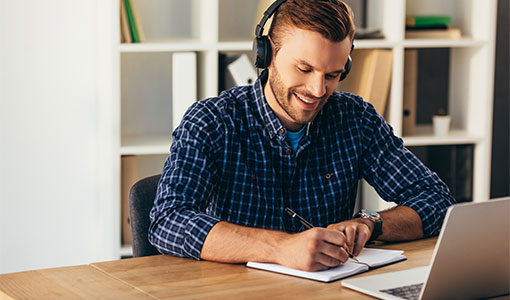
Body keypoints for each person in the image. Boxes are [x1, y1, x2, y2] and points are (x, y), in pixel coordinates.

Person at [149, 0, 455, 272]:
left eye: (333, 75)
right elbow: (168, 221)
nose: (318, 90)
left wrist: (371, 224)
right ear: (267, 53)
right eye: (304, 68)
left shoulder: (355, 118)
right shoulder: (211, 121)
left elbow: (437, 200)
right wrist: (280, 248)